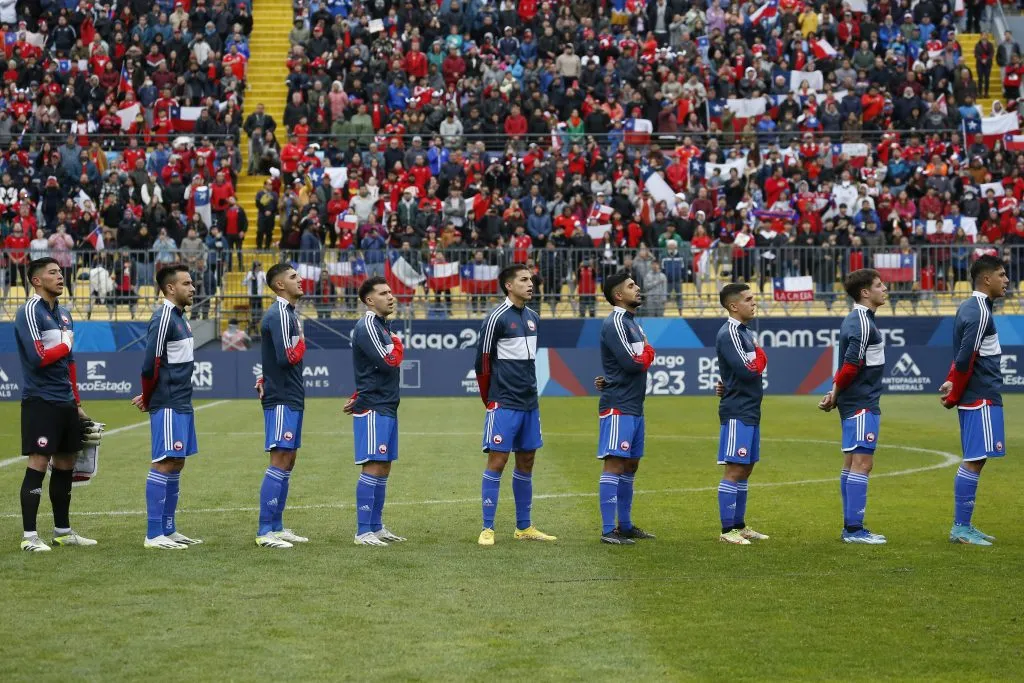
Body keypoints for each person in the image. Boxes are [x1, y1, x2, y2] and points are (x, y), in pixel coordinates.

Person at [14, 257, 97, 551]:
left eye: (61, 273)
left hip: (64, 402)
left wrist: (77, 402)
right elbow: (38, 359)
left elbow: (69, 362)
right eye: (52, 273)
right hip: (40, 400)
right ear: (37, 280)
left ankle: (62, 531)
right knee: (38, 462)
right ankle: (29, 537)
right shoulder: (29, 311)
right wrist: (64, 344)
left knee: (65, 464)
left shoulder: (64, 315)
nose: (60, 277)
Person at [474, 264, 556, 546]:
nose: (530, 283)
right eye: (523, 280)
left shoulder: (533, 316)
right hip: (504, 402)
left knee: (527, 460)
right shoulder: (496, 318)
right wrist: (490, 399)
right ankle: (487, 528)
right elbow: (482, 363)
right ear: (509, 286)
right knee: (498, 460)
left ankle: (524, 527)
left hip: (529, 403)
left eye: (531, 279)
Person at [131, 264, 203, 550]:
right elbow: (151, 363)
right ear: (170, 288)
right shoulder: (163, 318)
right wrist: (150, 397)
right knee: (164, 461)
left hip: (182, 401)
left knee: (177, 461)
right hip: (169, 402)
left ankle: (169, 529)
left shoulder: (180, 318)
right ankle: (153, 534)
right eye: (187, 283)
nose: (193, 288)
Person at [938, 254, 1009, 546]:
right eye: (1002, 275)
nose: (1007, 281)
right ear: (986, 279)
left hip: (978, 394)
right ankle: (960, 528)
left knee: (977, 459)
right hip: (980, 396)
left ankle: (964, 526)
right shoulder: (980, 311)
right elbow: (967, 357)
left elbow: (964, 355)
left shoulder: (973, 308)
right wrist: (954, 393)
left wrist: (951, 379)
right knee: (975, 460)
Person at [818, 269, 888, 545]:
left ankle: (851, 527)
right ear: (865, 293)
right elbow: (849, 366)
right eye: (879, 285)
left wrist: (834, 393)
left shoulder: (858, 320)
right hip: (861, 402)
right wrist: (835, 392)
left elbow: (848, 366)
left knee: (851, 463)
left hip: (856, 401)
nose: (885, 289)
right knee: (862, 464)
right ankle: (854, 530)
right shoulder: (861, 323)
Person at [592, 271, 656, 545]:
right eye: (631, 286)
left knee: (630, 464)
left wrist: (645, 355)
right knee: (615, 463)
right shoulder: (616, 322)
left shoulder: (633, 323)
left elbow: (635, 360)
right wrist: (650, 353)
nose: (637, 288)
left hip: (633, 404)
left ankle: (626, 525)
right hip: (618, 404)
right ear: (619, 295)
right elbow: (634, 363)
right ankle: (609, 530)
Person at [344, 277, 407, 546]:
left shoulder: (383, 326)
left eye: (391, 292)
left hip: (387, 404)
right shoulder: (369, 324)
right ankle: (362, 531)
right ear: (370, 300)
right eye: (383, 293)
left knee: (384, 466)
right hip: (374, 406)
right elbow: (388, 361)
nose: (391, 296)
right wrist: (398, 344)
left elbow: (372, 366)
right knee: (372, 465)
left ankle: (376, 527)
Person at [253, 263, 309, 548]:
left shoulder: (287, 314)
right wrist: (303, 344)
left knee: (288, 460)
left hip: (291, 395)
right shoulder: (279, 315)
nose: (300, 280)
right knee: (280, 458)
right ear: (279, 285)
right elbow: (288, 356)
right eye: (293, 277)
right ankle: (265, 531)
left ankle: (276, 526)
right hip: (282, 398)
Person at [714, 283, 770, 545]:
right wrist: (761, 356)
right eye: (748, 299)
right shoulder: (731, 333)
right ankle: (728, 531)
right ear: (734, 306)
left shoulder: (745, 333)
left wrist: (758, 357)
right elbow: (749, 369)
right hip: (737, 410)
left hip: (749, 408)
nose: (753, 302)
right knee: (735, 469)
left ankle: (740, 525)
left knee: (746, 468)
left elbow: (750, 367)